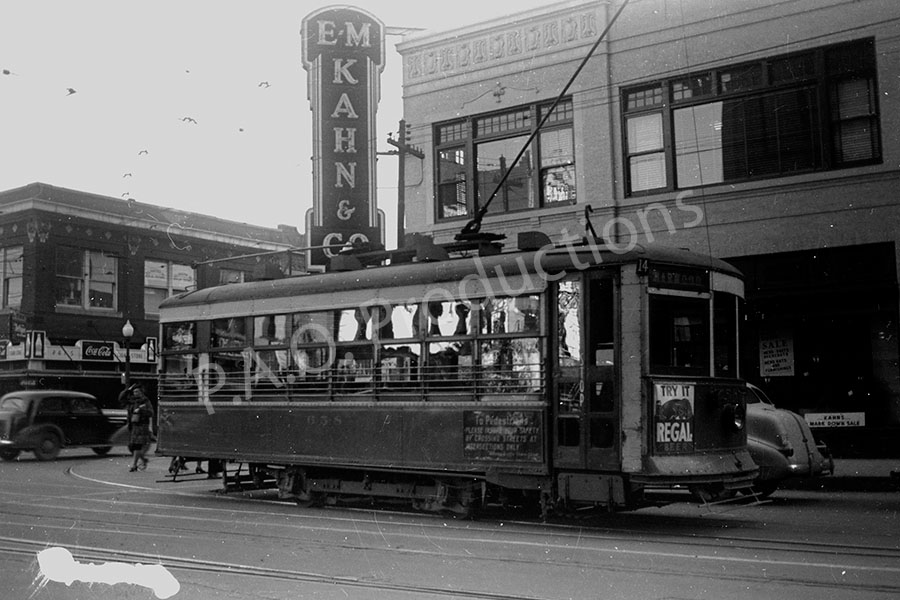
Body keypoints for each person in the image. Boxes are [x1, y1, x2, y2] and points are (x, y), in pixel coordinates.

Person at [125, 383, 154, 472]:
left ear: (141, 392)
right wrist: (128, 390)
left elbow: (151, 413)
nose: (135, 393)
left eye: (137, 391)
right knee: (133, 446)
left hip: (141, 426)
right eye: (134, 392)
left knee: (136, 446)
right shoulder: (132, 401)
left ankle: (134, 465)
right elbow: (121, 398)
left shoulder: (145, 401)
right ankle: (143, 460)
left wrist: (141, 410)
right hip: (133, 426)